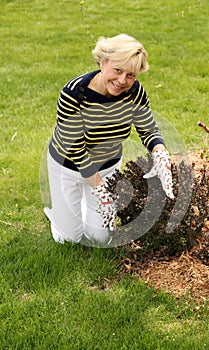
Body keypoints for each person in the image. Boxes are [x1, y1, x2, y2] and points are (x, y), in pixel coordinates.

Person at [44, 33, 174, 245]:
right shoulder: (74, 93)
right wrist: (99, 191)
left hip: (107, 167)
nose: (123, 81)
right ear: (103, 62)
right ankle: (61, 212)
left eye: (131, 75)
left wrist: (160, 152)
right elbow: (75, 148)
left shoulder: (134, 92)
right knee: (68, 239)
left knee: (100, 238)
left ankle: (81, 208)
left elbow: (147, 127)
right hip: (67, 167)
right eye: (118, 70)